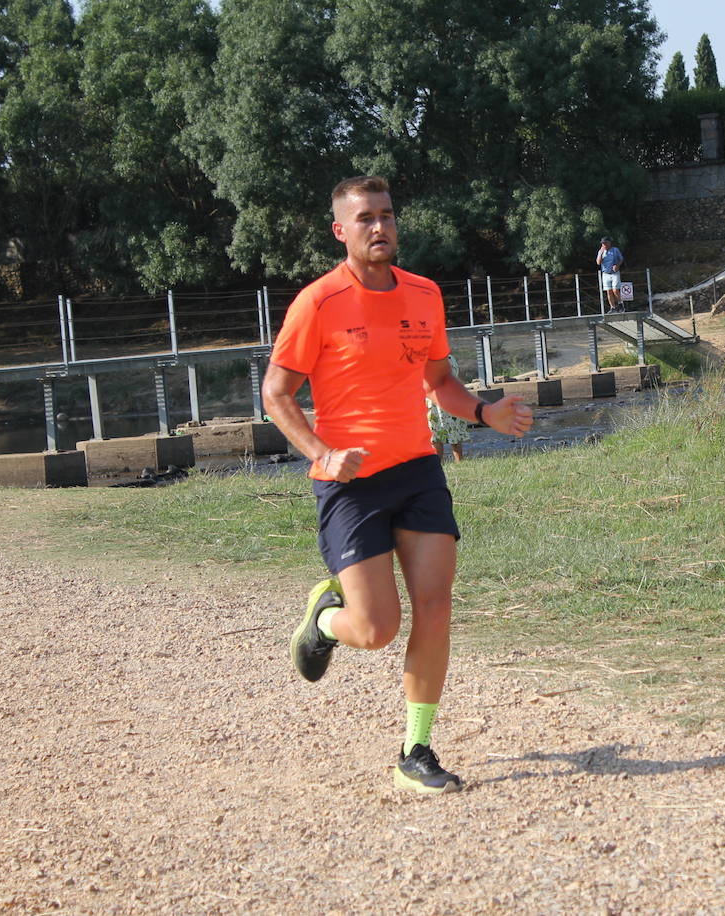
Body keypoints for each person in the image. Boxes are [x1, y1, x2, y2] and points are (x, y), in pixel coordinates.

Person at [261, 176, 533, 795]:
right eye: (365, 219)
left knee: (436, 606)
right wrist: (323, 455)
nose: (379, 227)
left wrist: (485, 412)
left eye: (386, 216)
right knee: (376, 629)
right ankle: (323, 620)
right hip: (351, 485)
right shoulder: (319, 302)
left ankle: (416, 748)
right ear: (341, 231)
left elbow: (439, 380)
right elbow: (276, 394)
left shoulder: (425, 295)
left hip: (416, 470)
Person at [427, 354, 470, 462]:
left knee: (450, 436)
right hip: (436, 404)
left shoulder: (448, 360)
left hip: (446, 402)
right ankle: (439, 463)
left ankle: (458, 462)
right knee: (436, 437)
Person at [596, 236, 625, 313]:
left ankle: (620, 304)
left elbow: (621, 259)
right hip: (605, 274)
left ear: (609, 243)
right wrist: (601, 253)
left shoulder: (615, 250)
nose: (604, 245)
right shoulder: (601, 251)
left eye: (605, 243)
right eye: (602, 244)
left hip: (614, 273)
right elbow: (598, 263)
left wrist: (617, 265)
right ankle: (613, 308)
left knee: (615, 290)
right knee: (608, 291)